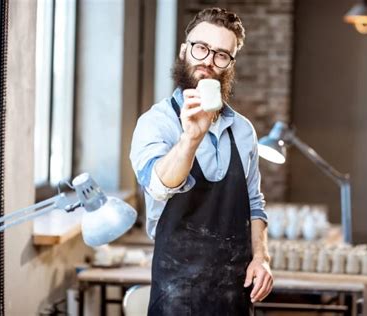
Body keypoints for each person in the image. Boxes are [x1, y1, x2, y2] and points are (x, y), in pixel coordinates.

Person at [130, 7, 272, 315]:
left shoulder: (243, 131)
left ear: (230, 65)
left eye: (221, 54)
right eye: (201, 48)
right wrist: (190, 138)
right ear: (184, 51)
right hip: (176, 294)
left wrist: (261, 257)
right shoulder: (157, 123)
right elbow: (157, 185)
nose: (208, 60)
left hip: (234, 295)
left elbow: (254, 203)